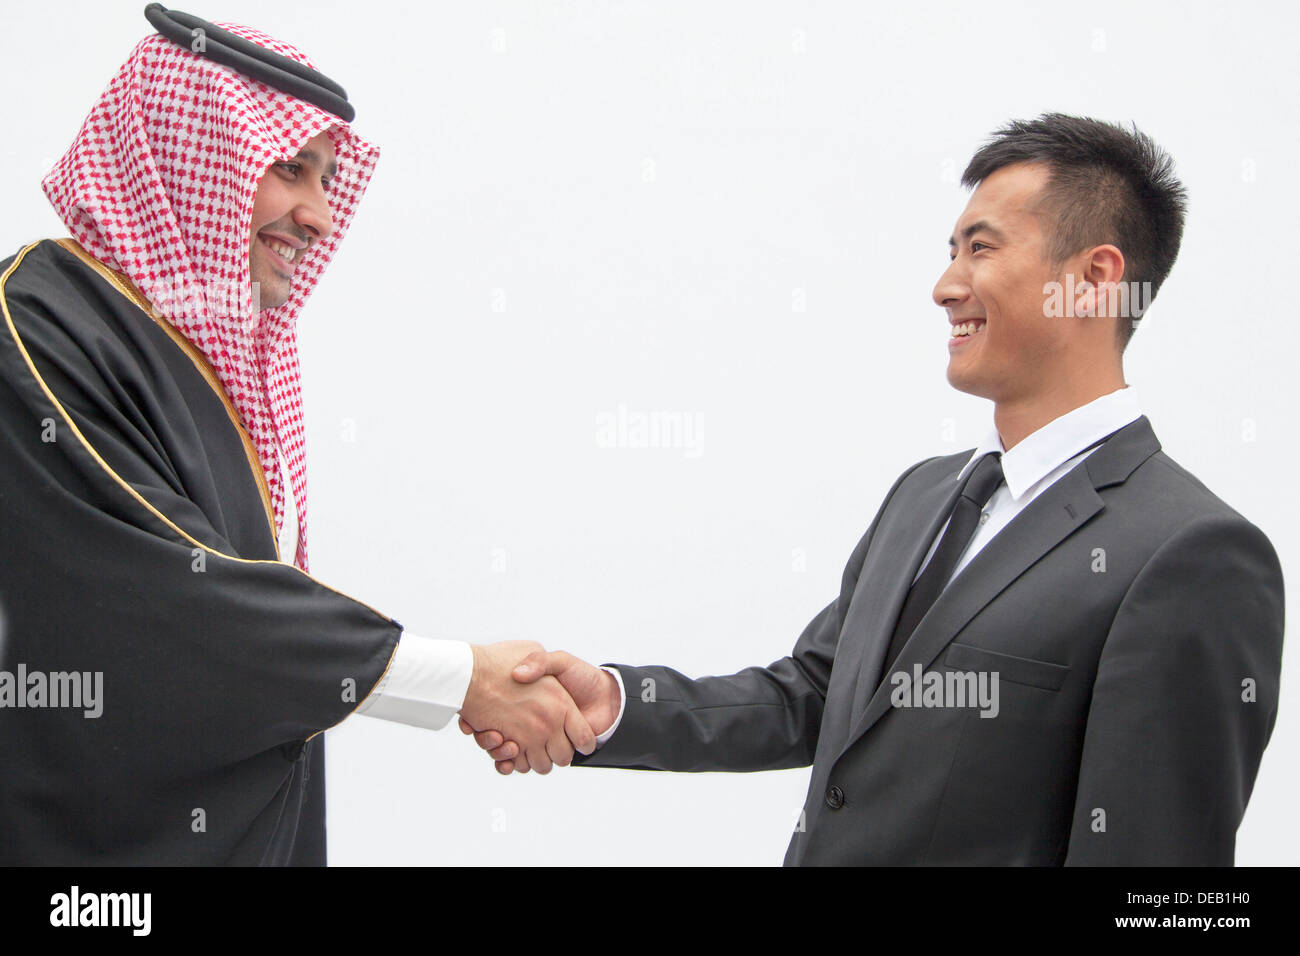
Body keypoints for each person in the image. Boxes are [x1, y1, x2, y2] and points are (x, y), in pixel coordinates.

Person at [464, 114, 1286, 865]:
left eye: (981, 248)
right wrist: (613, 702)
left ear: (1095, 276)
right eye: (951, 249)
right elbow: (819, 696)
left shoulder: (1189, 552)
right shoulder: (926, 497)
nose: (945, 285)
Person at [0, 5, 592, 865]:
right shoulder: (40, 327)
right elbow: (184, 606)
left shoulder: (205, 368)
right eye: (290, 170)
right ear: (191, 151)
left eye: (326, 181)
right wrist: (464, 679)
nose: (318, 217)